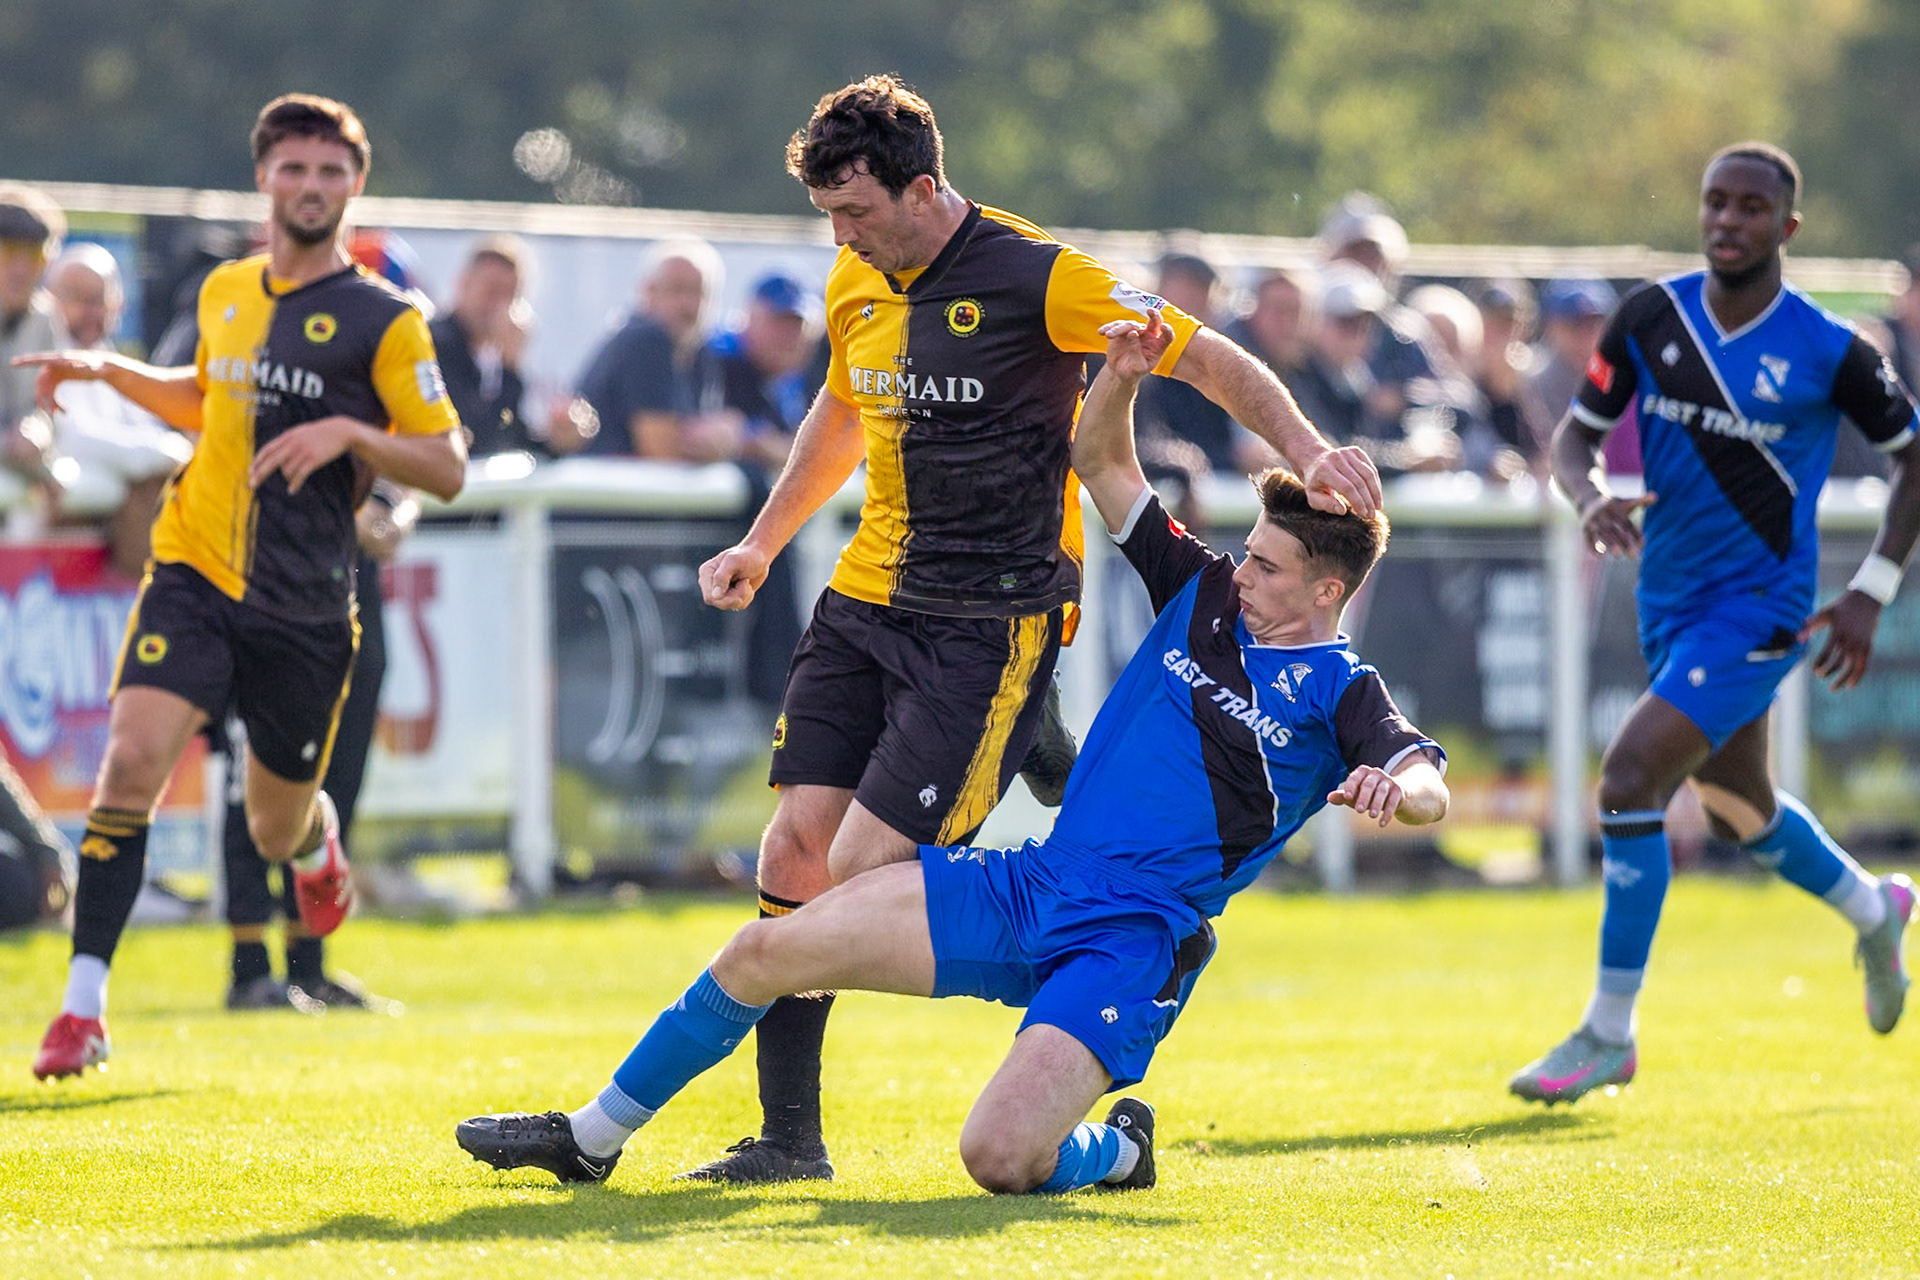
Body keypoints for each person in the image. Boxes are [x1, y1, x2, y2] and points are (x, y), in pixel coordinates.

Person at [455, 308, 1446, 1194]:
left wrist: (1393, 787)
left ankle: (1118, 1153)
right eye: (1250, 553)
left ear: (1328, 591)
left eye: (1268, 566)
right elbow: (1104, 465)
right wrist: (1125, 376)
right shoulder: (1204, 591)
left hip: (1131, 940)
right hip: (1033, 883)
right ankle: (590, 1138)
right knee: (768, 944)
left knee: (999, 1158)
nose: (1246, 572)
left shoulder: (1344, 688)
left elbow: (1424, 778)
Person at [685, 73, 1382, 1184]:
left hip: (990, 611)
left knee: (864, 869)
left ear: (923, 189)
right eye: (828, 218)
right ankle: (787, 1138)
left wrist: (1309, 448)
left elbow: (1202, 356)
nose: (842, 237)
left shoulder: (1043, 277)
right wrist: (767, 540)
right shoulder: (857, 276)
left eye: (856, 212)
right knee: (793, 853)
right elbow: (843, 405)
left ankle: (1033, 752)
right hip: (869, 593)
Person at [15, 92, 466, 1080]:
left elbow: (445, 465)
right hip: (192, 569)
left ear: (356, 183)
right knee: (129, 768)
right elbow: (208, 400)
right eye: (294, 169)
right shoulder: (227, 289)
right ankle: (82, 1007)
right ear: (264, 178)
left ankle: (315, 848)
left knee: (273, 819)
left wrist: (352, 435)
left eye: (330, 171)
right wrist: (110, 372)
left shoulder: (385, 320)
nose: (311, 186)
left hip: (302, 603)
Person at [1509, 143, 1920, 1106]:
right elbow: (1574, 435)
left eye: (1750, 206)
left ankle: (1609, 1032)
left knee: (1629, 776)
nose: (1727, 220)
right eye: (1714, 203)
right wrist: (1589, 492)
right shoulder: (1653, 315)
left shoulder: (1831, 349)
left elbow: (1916, 460)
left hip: (1762, 607)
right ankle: (1878, 906)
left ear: (1788, 227)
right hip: (1669, 601)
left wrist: (1870, 591)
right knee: (1742, 806)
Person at [221, 481, 415, 1012]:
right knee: (256, 792)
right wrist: (334, 511)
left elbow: (422, 464)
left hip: (351, 616)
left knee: (334, 797)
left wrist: (395, 516)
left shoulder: (371, 405)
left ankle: (309, 967)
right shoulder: (270, 401)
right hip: (269, 602)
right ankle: (249, 969)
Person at [43, 243, 195, 576]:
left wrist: (164, 451)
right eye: (76, 298)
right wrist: (162, 452)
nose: (89, 311)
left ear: (118, 304)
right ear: (50, 299)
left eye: (98, 300)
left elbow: (148, 428)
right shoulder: (44, 356)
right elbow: (71, 439)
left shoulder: (116, 364)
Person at [550, 238, 734, 461]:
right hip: (605, 491)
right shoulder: (646, 339)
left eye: (699, 292)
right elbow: (661, 451)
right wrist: (722, 440)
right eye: (677, 289)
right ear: (648, 292)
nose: (688, 304)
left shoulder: (699, 352)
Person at [430, 235, 540, 458]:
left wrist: (557, 442)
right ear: (463, 284)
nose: (499, 307)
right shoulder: (437, 345)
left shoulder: (489, 356)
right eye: (491, 291)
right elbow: (477, 440)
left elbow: (514, 437)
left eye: (510, 296)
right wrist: (510, 371)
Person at [0, 185, 64, 505]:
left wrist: (36, 433)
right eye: (9, 252)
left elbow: (45, 408)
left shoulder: (45, 317)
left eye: (35, 254)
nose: (22, 269)